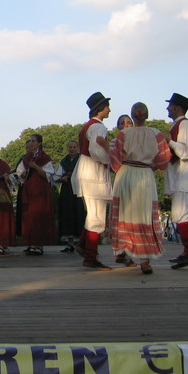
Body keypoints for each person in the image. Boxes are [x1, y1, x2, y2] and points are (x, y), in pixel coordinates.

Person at [106, 102, 171, 275]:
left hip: (126, 173)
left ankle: (124, 250)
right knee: (144, 214)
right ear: (146, 116)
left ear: (133, 116)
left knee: (125, 213)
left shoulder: (124, 134)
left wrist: (122, 166)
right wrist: (152, 166)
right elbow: (165, 159)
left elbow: (115, 158)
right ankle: (145, 260)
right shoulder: (156, 134)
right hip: (144, 174)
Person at [71, 92, 113, 270]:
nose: (109, 109)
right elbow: (97, 151)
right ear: (100, 109)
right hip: (93, 173)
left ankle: (83, 243)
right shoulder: (98, 127)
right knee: (97, 215)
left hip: (86, 170)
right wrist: (111, 159)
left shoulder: (89, 125)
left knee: (93, 213)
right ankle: (90, 256)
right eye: (107, 106)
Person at [163, 92, 188, 269]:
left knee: (183, 213)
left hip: (185, 174)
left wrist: (170, 141)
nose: (167, 108)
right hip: (182, 174)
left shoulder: (185, 124)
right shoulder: (180, 125)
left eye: (169, 105)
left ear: (177, 108)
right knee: (184, 213)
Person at [17, 134, 56, 255]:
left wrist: (37, 167)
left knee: (39, 216)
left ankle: (39, 245)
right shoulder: (26, 158)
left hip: (40, 191)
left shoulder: (44, 158)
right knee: (29, 217)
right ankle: (30, 243)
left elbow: (48, 176)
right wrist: (22, 174)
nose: (31, 143)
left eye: (33, 141)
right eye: (30, 141)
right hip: (29, 191)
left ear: (39, 143)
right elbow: (19, 172)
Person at [56, 140, 86, 253]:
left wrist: (72, 175)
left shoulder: (81, 160)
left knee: (78, 213)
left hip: (78, 189)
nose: (72, 149)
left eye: (74, 147)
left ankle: (81, 242)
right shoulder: (64, 161)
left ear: (77, 148)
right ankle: (69, 243)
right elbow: (57, 175)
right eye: (70, 147)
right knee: (67, 214)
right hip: (66, 190)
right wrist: (62, 178)